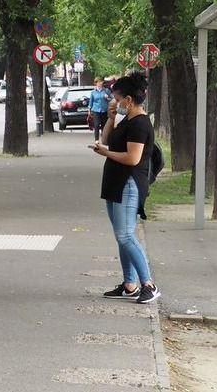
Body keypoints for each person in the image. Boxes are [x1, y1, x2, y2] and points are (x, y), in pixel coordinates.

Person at [89, 72, 160, 304]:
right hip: (115, 183)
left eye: (117, 99)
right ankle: (130, 284)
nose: (115, 102)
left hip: (128, 184)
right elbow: (108, 139)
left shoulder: (140, 124)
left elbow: (132, 158)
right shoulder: (126, 120)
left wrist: (105, 153)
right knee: (121, 237)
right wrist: (110, 118)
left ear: (128, 100)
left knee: (126, 235)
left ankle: (148, 284)